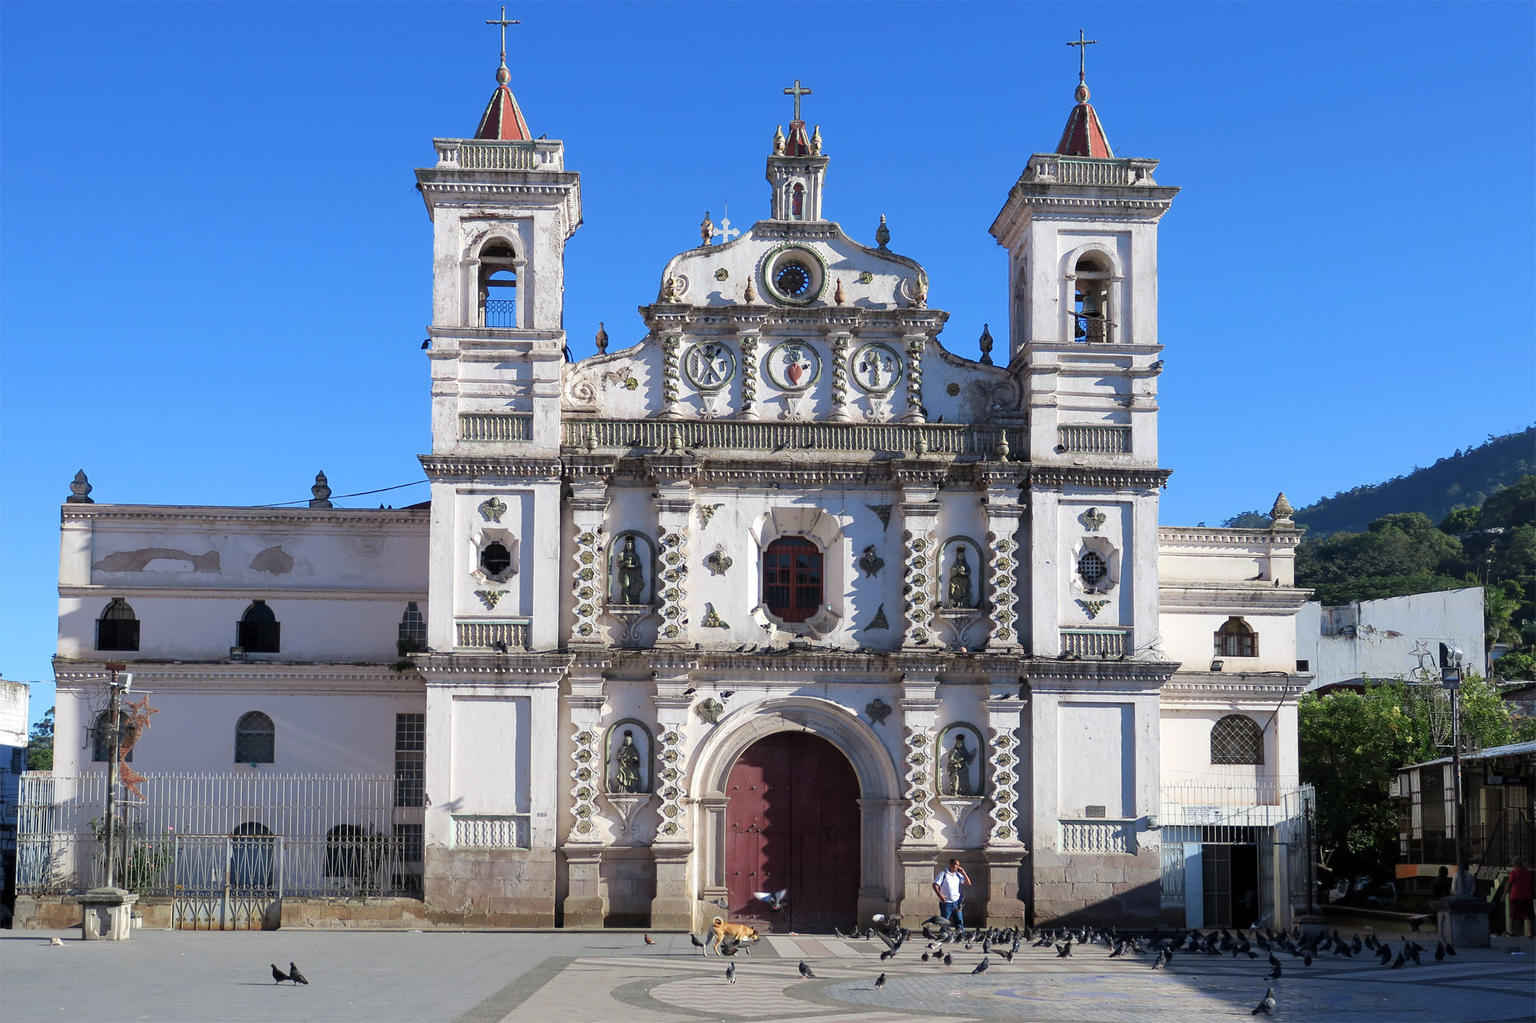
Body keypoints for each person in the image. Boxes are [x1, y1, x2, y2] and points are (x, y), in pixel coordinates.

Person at [934, 858, 970, 930]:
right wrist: (940, 895)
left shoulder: (958, 875)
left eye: (958, 865)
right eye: (956, 865)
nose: (957, 867)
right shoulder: (943, 874)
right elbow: (935, 885)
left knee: (959, 921)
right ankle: (944, 935)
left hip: (956, 903)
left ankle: (960, 935)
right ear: (950, 865)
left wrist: (964, 873)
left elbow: (968, 883)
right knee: (945, 922)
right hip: (946, 903)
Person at [1508, 856, 1534, 938]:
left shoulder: (1514, 873)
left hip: (1516, 896)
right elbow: (1531, 884)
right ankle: (1530, 932)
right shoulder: (1528, 872)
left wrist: (1504, 894)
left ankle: (1510, 930)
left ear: (1515, 863)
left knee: (1513, 914)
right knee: (1528, 914)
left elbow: (1510, 884)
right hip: (1527, 895)